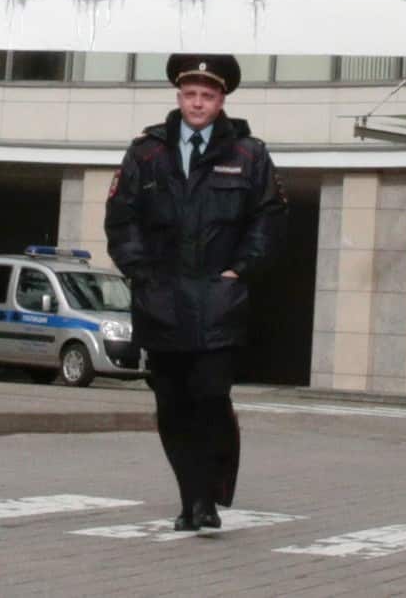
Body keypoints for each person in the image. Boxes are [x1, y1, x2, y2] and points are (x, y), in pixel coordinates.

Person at [104, 53, 285, 535]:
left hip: (218, 301)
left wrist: (240, 270)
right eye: (190, 94)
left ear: (221, 99)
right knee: (172, 404)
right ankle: (193, 501)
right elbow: (122, 220)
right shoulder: (146, 152)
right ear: (178, 96)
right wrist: (141, 273)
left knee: (209, 397)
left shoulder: (249, 153)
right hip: (160, 300)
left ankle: (209, 493)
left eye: (207, 95)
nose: (197, 103)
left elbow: (267, 219)